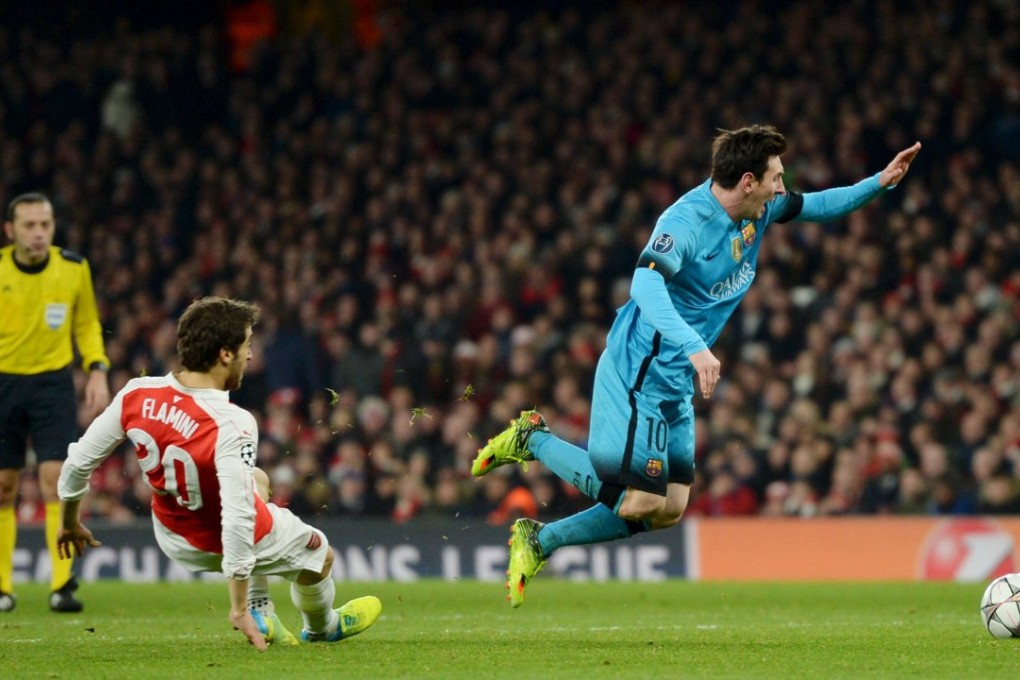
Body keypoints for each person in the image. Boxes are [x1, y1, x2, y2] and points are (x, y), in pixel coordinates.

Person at [472, 125, 921, 607]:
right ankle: (532, 439)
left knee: (668, 509)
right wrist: (695, 346)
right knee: (638, 500)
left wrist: (879, 182)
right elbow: (644, 287)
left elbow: (816, 206)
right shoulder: (684, 223)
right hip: (637, 371)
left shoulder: (761, 211)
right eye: (775, 177)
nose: (781, 187)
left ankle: (539, 541)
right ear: (747, 180)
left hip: (676, 378)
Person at [56, 297, 381, 649]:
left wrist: (70, 521)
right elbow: (238, 517)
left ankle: (261, 606)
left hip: (171, 531)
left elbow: (77, 463)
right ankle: (321, 626)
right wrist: (238, 605)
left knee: (257, 480)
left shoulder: (137, 393)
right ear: (225, 354)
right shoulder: (232, 423)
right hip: (218, 540)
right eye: (247, 345)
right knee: (321, 555)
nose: (251, 355)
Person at [0, 192, 111, 613]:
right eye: (29, 225)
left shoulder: (73, 268)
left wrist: (97, 368)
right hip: (3, 382)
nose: (39, 232)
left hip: (52, 384)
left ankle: (63, 584)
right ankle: (2, 587)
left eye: (45, 224)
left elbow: (87, 323)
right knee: (4, 487)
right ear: (11, 231)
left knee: (55, 480)